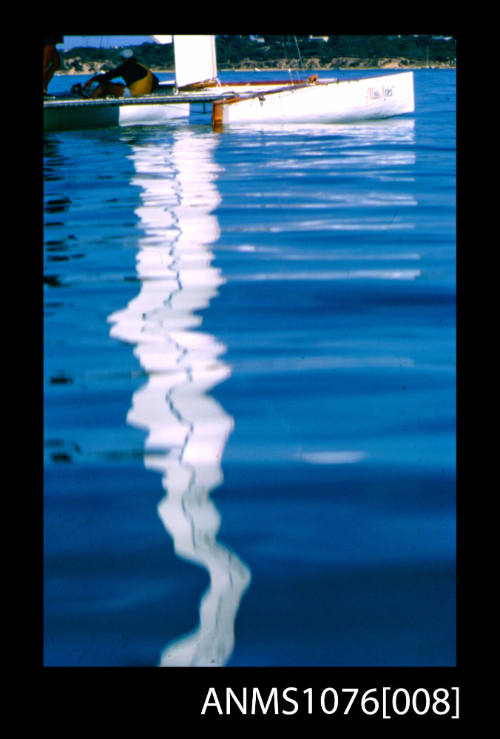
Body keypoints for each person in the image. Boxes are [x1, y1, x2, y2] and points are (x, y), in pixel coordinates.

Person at [83, 49, 159, 98]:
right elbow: (156, 81)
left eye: (121, 58)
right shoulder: (142, 66)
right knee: (118, 85)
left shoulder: (126, 66)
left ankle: (91, 100)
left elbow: (108, 76)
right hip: (145, 94)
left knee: (104, 85)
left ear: (123, 59)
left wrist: (92, 79)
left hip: (134, 94)